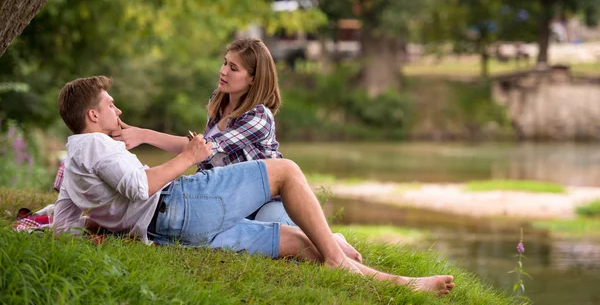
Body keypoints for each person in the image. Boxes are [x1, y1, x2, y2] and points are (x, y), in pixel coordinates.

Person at [53, 75, 455, 296]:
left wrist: (92, 229)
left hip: (170, 230)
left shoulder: (75, 157)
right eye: (109, 105)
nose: (117, 109)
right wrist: (188, 158)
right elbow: (140, 187)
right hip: (177, 207)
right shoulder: (99, 148)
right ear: (92, 113)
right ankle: (337, 255)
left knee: (297, 243)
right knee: (285, 169)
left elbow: (65, 221)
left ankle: (403, 285)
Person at [111, 38, 290, 225]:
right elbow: (196, 149)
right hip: (232, 199)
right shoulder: (220, 100)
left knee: (269, 224)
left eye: (233, 68)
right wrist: (142, 135)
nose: (223, 71)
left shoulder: (259, 117)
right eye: (225, 63)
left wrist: (145, 136)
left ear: (254, 78)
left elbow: (204, 150)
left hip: (265, 201)